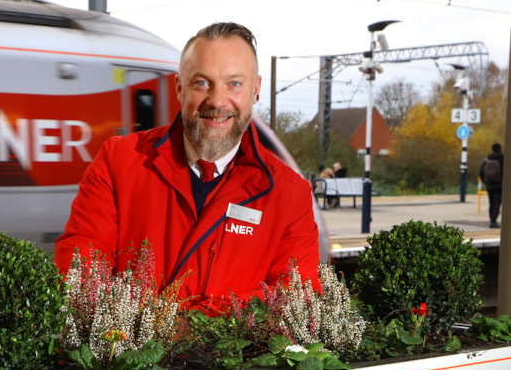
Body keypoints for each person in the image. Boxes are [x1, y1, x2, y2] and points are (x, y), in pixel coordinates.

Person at [54, 22, 319, 312]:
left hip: (234, 357)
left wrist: (185, 323)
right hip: (130, 355)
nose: (217, 101)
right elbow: (81, 266)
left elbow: (296, 301)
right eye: (201, 83)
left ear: (255, 90)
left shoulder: (289, 194)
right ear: (179, 87)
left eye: (234, 84)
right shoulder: (119, 162)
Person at [481, 142, 504, 229]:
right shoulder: (502, 159)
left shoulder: (487, 160)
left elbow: (481, 173)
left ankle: (491, 220)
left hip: (489, 185)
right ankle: (493, 221)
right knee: (497, 203)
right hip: (499, 185)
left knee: (491, 203)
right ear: (500, 149)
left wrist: (486, 181)